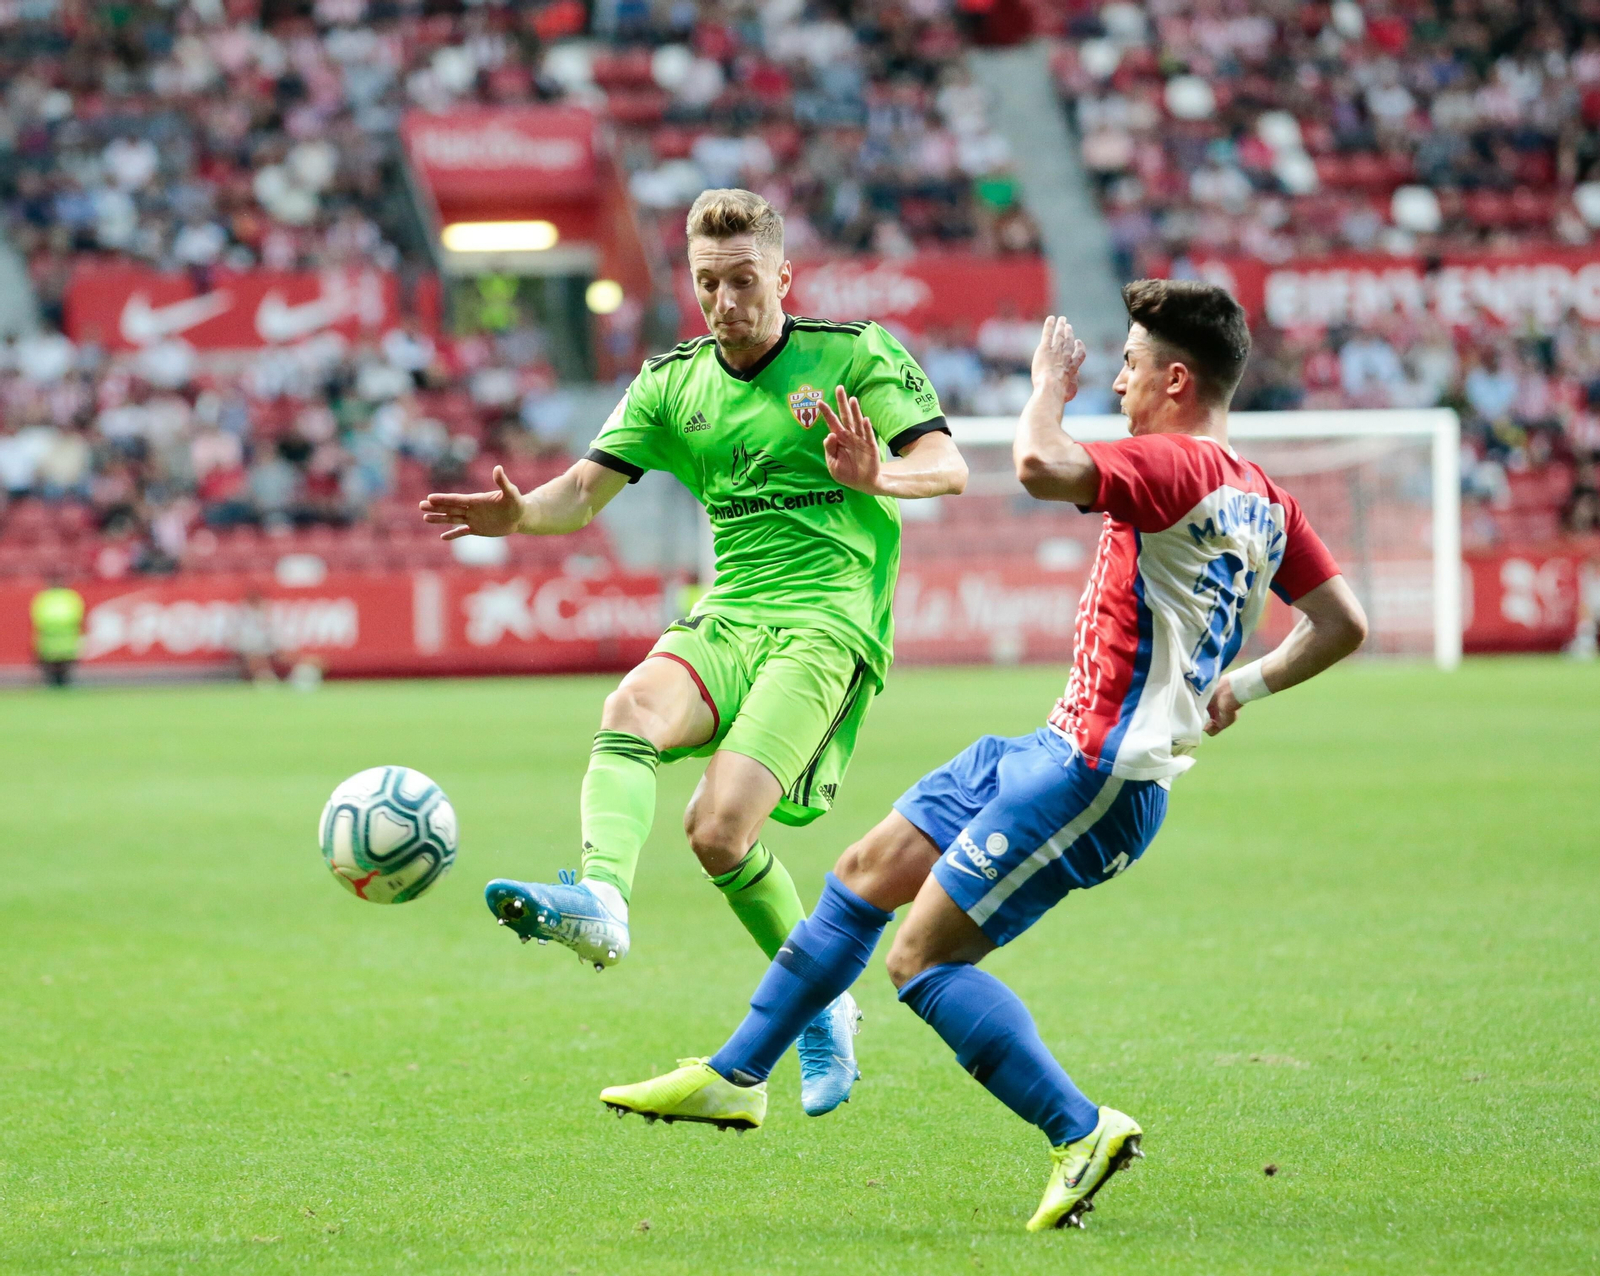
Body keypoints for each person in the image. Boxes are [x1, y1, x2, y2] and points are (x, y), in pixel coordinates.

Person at [598, 283, 1369, 1232]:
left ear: (1177, 378)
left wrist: (1046, 386)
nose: (1117, 380)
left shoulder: (1172, 463)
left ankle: (1078, 1129)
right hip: (1047, 748)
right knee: (864, 871)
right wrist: (1239, 690)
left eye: (1129, 364)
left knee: (921, 961)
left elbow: (1041, 464)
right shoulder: (1265, 497)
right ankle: (735, 1074)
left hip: (1098, 777)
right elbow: (1344, 623)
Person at [418, 188, 967, 1115]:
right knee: (628, 709)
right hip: (732, 615)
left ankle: (824, 1006)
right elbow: (581, 494)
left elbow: (948, 467)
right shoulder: (672, 382)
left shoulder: (854, 354)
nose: (724, 302)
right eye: (708, 283)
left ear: (783, 277)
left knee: (718, 830)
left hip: (827, 625)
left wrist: (882, 474)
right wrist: (518, 514)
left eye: (744, 281)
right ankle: (603, 902)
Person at [31, 572, 84, 687]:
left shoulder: (44, 597)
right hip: (67, 641)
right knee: (64, 670)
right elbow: (78, 616)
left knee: (51, 670)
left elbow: (37, 618)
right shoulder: (71, 597)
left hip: (49, 640)